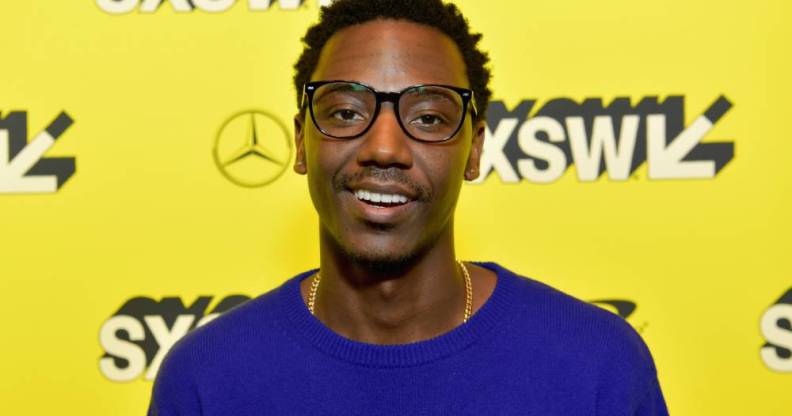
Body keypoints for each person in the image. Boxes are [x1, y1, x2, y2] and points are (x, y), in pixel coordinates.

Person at [148, 0, 668, 414]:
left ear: (475, 150)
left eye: (428, 119)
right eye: (347, 112)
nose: (385, 149)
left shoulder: (596, 365)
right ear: (302, 142)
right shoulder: (206, 379)